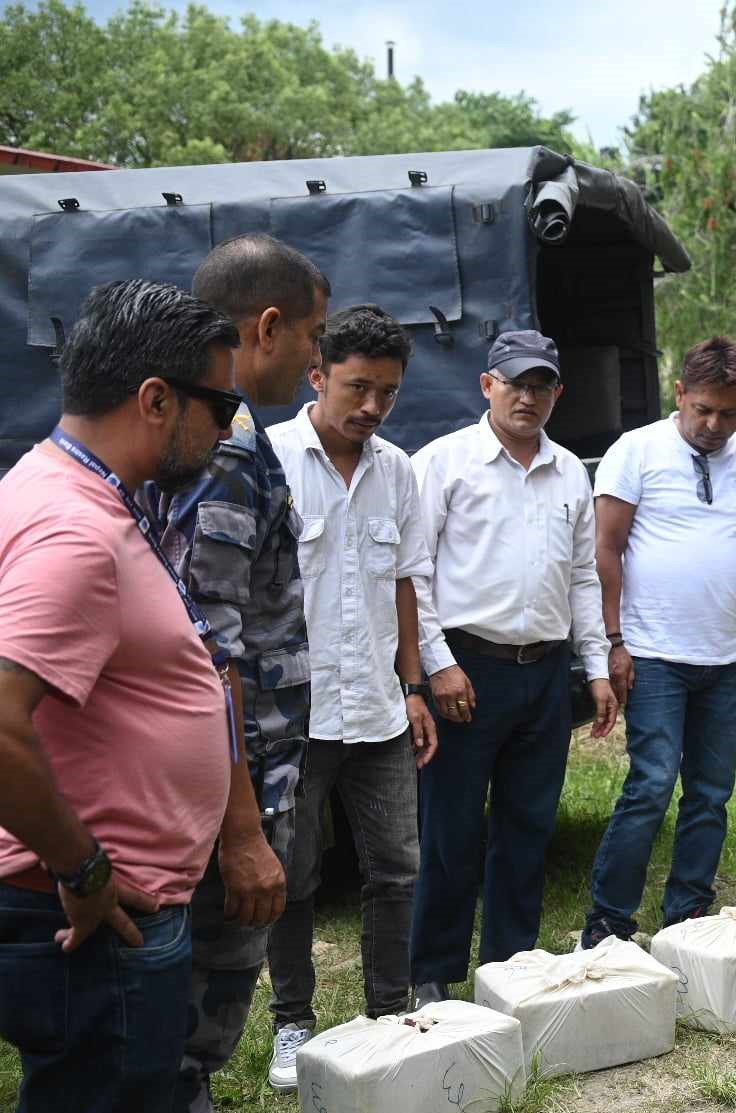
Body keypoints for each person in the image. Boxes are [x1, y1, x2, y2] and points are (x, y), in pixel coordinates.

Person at [0, 279, 240, 1113]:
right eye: (221, 406)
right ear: (155, 399)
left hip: (109, 910)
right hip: (103, 920)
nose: (228, 429)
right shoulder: (76, 532)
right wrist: (86, 868)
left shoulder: (64, 491)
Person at [152, 234, 328, 1112]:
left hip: (236, 773)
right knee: (192, 1026)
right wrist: (244, 826)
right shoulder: (226, 451)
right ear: (266, 326)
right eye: (312, 336)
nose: (314, 359)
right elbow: (207, 649)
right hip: (232, 781)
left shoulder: (217, 437)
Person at [583, 338, 736, 946]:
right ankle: (608, 922)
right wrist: (613, 641)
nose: (713, 425)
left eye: (727, 412)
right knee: (652, 784)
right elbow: (604, 552)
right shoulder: (636, 451)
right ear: (680, 395)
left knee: (711, 793)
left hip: (726, 656)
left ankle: (686, 913)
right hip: (655, 652)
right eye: (702, 411)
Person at [407, 330, 618, 1004]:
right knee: (452, 832)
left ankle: (509, 968)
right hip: (467, 670)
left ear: (558, 392)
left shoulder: (570, 472)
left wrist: (596, 668)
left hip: (544, 672)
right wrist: (437, 665)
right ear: (486, 385)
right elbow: (413, 574)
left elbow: (583, 576)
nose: (528, 396)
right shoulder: (445, 463)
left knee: (528, 828)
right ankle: (431, 977)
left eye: (541, 385)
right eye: (515, 382)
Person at [264, 305, 437, 1091]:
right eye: (357, 387)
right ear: (317, 376)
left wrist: (413, 683)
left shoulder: (397, 471)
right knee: (293, 875)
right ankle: (292, 1021)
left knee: (396, 866)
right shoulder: (267, 460)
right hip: (293, 717)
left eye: (388, 393)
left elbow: (404, 582)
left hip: (377, 709)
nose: (371, 407)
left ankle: (389, 1011)